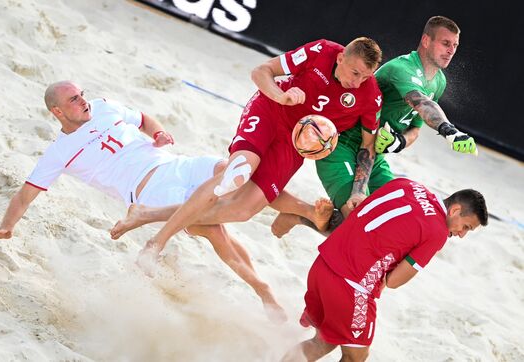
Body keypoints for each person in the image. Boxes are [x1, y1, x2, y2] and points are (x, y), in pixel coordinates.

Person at [0, 80, 287, 322]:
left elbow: (143, 119)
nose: (83, 101)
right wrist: (6, 226)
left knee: (234, 171)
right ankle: (263, 290)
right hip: (151, 189)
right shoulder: (58, 153)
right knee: (216, 230)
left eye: (81, 94)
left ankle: (148, 216)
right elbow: (25, 194)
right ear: (57, 112)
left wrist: (159, 133)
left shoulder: (102, 107)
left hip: (176, 163)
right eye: (73, 99)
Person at [114, 37, 384, 258]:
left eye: (366, 76)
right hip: (271, 110)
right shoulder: (322, 51)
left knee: (244, 210)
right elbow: (261, 71)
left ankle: (146, 214)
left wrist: (359, 190)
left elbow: (367, 148)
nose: (358, 82)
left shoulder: (370, 95)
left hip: (296, 142)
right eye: (355, 72)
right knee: (237, 174)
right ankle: (156, 243)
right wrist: (282, 96)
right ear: (340, 58)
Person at [272, 16, 478, 238]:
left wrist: (399, 142)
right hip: (342, 145)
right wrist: (449, 131)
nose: (451, 51)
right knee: (359, 218)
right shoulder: (402, 68)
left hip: (374, 153)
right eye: (445, 43)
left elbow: (416, 129)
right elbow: (421, 103)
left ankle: (305, 218)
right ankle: (304, 215)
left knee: (393, 220)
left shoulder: (439, 81)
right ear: (426, 41)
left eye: (455, 46)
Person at [281, 177, 488, 361]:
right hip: (352, 287)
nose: (461, 234)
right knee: (356, 356)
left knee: (323, 342)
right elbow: (395, 281)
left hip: (323, 264)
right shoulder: (438, 232)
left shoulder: (408, 184)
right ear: (455, 210)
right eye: (466, 227)